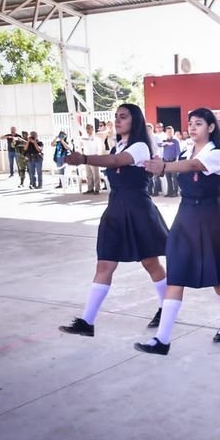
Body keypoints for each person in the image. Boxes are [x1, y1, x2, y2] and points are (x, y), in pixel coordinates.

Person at [134, 108, 220, 355]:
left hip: (209, 218)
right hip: (185, 217)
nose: (192, 127)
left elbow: (195, 165)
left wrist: (164, 166)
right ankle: (162, 340)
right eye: (190, 123)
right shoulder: (187, 150)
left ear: (210, 127)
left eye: (198, 123)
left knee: (218, 277)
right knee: (176, 276)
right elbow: (188, 161)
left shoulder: (217, 153)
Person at [58, 104, 169, 337]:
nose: (117, 121)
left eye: (123, 117)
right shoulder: (117, 144)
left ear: (135, 121)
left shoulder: (139, 146)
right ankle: (87, 322)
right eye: (116, 117)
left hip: (137, 208)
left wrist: (85, 158)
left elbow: (117, 161)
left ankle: (166, 308)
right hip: (116, 208)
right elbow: (114, 158)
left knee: (150, 263)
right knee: (105, 264)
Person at [80, 123, 103, 195]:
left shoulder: (96, 138)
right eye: (87, 128)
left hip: (94, 156)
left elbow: (99, 148)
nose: (88, 130)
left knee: (95, 174)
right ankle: (90, 188)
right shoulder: (85, 137)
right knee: (88, 174)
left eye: (89, 128)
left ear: (92, 129)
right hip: (86, 156)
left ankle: (97, 188)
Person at [160, 126, 181, 197]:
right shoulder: (164, 141)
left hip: (173, 161)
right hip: (165, 161)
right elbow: (159, 145)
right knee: (168, 178)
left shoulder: (175, 141)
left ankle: (175, 192)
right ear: (166, 133)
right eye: (168, 132)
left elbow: (178, 152)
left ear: (173, 132)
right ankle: (170, 192)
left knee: (174, 178)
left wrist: (177, 161)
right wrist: (165, 144)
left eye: (171, 132)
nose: (169, 133)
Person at [145, 124, 162, 196]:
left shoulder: (156, 137)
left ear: (152, 129)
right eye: (147, 129)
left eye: (149, 129)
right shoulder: (144, 138)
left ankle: (156, 191)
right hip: (147, 157)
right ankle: (149, 191)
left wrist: (159, 156)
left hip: (155, 156)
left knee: (156, 177)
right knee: (149, 176)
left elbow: (160, 147)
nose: (148, 131)